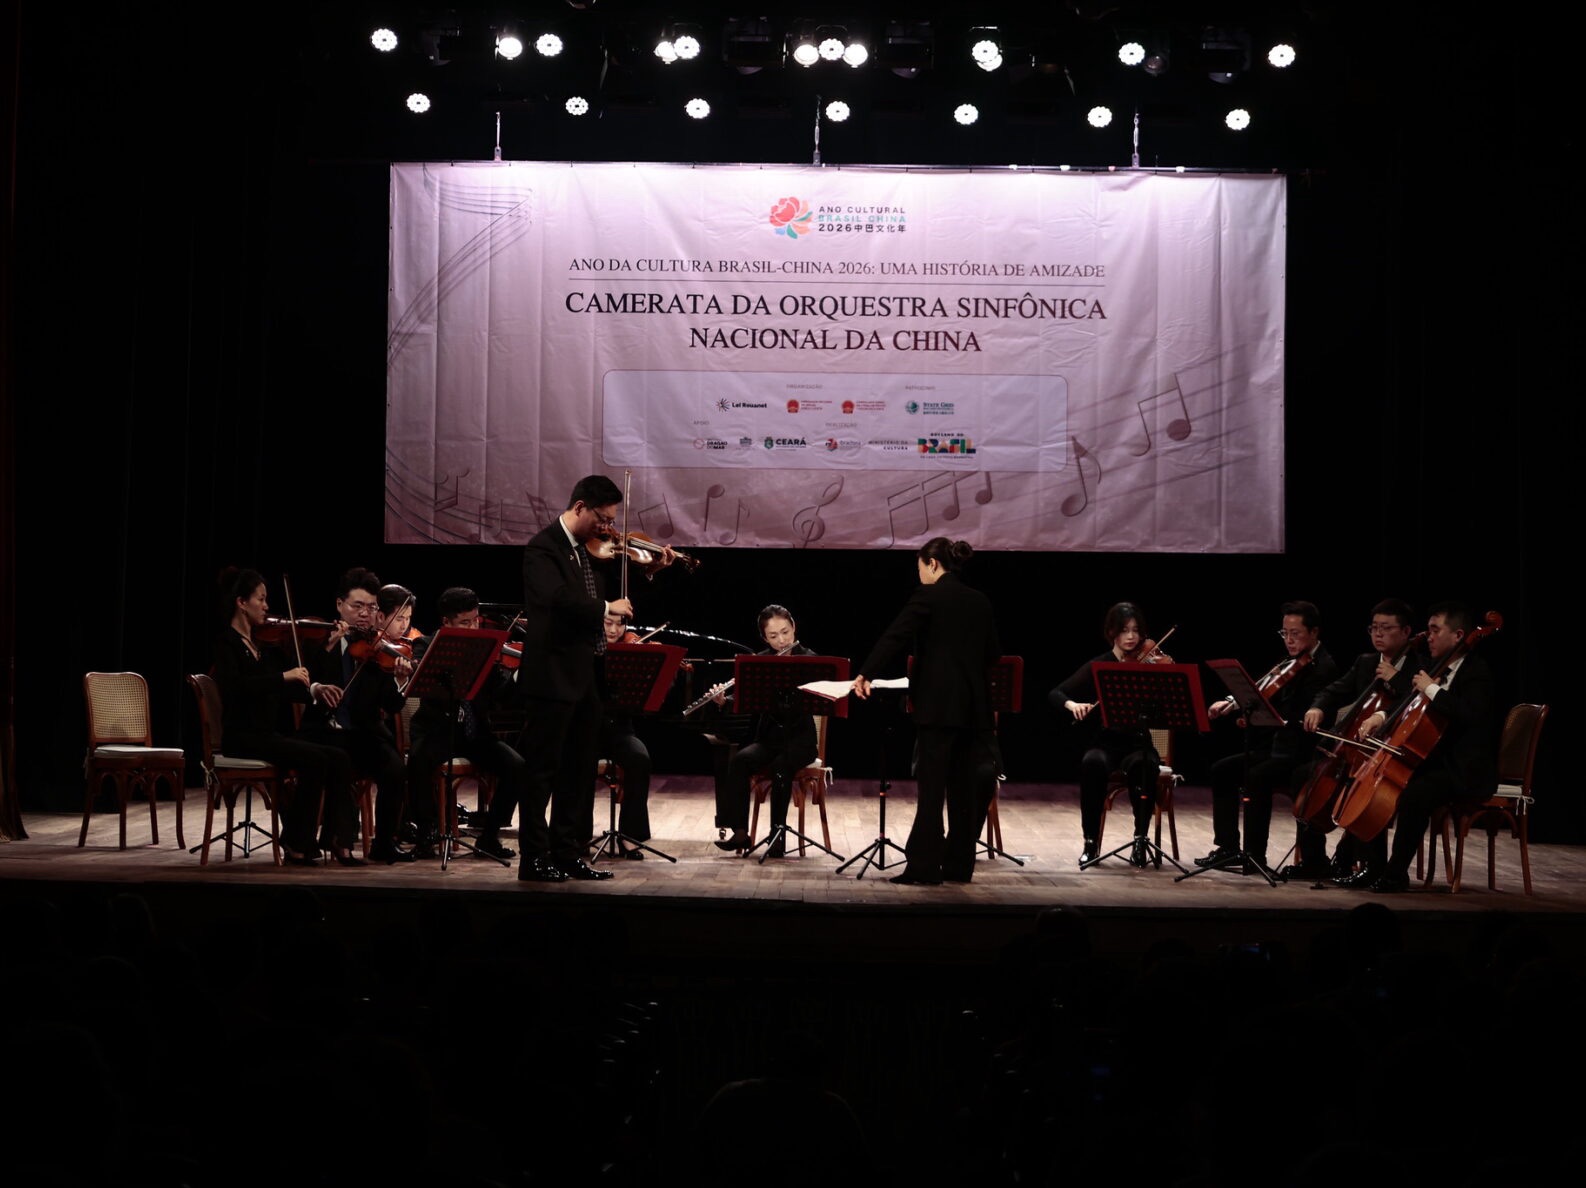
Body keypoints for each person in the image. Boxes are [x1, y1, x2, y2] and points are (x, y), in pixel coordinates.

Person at [515, 475, 669, 882]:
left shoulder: (588, 553)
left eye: (611, 520)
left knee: (579, 771)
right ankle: (533, 859)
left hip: (586, 677)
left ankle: (568, 853)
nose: (608, 528)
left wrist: (650, 570)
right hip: (551, 678)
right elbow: (557, 600)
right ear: (580, 507)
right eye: (602, 519)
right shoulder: (542, 548)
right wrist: (605, 605)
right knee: (542, 771)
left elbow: (620, 601)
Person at [854, 537, 1001, 885]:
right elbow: (993, 654)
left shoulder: (928, 596)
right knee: (964, 791)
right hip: (974, 710)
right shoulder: (979, 600)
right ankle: (958, 866)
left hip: (937, 709)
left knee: (932, 791)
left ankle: (923, 868)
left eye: (920, 567)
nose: (918, 574)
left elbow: (895, 636)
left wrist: (866, 672)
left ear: (933, 564)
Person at [211, 568, 362, 866]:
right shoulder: (227, 643)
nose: (267, 606)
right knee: (315, 759)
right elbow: (235, 689)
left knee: (339, 757)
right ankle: (296, 842)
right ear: (242, 602)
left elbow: (289, 689)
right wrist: (283, 677)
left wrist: (315, 689)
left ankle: (336, 838)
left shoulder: (261, 646)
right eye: (261, 599)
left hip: (266, 736)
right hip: (242, 737)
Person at [1348, 602, 1500, 893]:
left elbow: (1470, 714)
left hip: (1462, 769)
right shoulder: (1434, 667)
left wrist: (1431, 689)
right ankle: (1373, 866)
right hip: (1433, 763)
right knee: (1373, 783)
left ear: (1458, 635)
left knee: (1414, 795)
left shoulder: (1476, 672)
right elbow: (1407, 702)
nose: (1427, 637)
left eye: (1434, 630)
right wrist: (1381, 716)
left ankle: (1395, 875)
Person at [1287, 598, 1425, 882]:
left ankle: (1369, 865)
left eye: (1386, 628)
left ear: (1406, 631)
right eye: (1374, 628)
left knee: (1367, 791)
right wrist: (1318, 706)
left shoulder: (1419, 668)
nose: (1378, 634)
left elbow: (1415, 705)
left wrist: (1397, 679)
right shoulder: (1366, 662)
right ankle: (1315, 861)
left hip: (1391, 756)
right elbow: (1335, 690)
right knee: (1304, 775)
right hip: (1357, 752)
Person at [1197, 600, 1337, 875]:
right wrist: (1229, 702)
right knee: (1222, 770)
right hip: (1279, 748)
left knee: (1256, 775)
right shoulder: (1291, 662)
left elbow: (1304, 714)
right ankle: (1228, 847)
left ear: (1314, 633)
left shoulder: (1324, 668)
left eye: (1295, 633)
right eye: (1284, 633)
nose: (1289, 639)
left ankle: (1255, 855)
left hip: (1304, 752)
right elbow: (1261, 688)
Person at [299, 570, 415, 865]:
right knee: (340, 758)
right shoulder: (318, 642)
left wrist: (400, 679)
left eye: (372, 607)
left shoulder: (376, 649)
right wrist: (329, 647)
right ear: (339, 605)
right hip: (322, 730)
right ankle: (340, 841)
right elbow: (301, 684)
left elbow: (390, 703)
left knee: (394, 767)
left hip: (359, 732)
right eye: (357, 606)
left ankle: (384, 843)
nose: (365, 614)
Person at [405, 586, 527, 862]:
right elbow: (422, 681)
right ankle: (426, 833)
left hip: (474, 733)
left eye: (475, 620)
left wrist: (519, 675)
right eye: (464, 622)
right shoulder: (425, 644)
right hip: (437, 729)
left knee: (517, 766)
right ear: (446, 623)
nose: (473, 627)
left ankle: (488, 838)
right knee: (419, 760)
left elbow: (503, 695)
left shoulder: (486, 647)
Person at [1050, 602, 1167, 868]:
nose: (1131, 637)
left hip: (1139, 743)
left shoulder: (1150, 664)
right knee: (1092, 764)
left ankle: (1140, 840)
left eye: (1136, 631)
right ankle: (1090, 843)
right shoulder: (1100, 665)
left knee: (1145, 765)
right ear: (1112, 632)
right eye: (1125, 630)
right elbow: (1056, 693)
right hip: (1106, 744)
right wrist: (1073, 705)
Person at [708, 605, 818, 858]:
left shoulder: (811, 659)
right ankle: (740, 832)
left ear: (794, 628)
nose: (782, 641)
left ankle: (777, 836)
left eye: (785, 632)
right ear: (764, 638)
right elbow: (747, 699)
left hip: (801, 741)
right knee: (740, 761)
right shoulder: (760, 662)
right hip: (771, 739)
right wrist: (724, 700)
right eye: (773, 636)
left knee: (782, 766)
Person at [597, 611, 654, 858]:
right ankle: (575, 836)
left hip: (620, 730)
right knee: (574, 761)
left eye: (619, 625)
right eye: (607, 623)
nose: (613, 631)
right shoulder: (584, 649)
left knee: (640, 758)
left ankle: (630, 836)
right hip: (587, 729)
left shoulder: (631, 652)